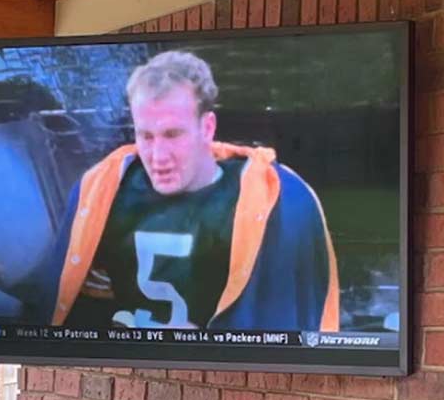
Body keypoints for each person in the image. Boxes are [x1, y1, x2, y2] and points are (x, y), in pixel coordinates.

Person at [49, 50, 340, 332]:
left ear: (207, 127)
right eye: (146, 136)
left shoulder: (277, 201)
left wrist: (206, 344)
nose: (158, 155)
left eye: (173, 134)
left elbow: (284, 328)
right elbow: (81, 315)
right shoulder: (104, 192)